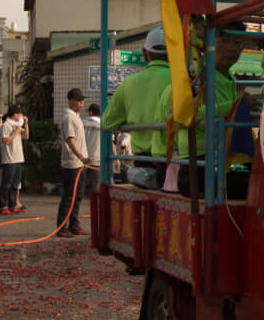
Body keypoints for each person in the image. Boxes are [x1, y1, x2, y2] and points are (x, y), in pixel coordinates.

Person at [151, 23, 246, 193]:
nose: (232, 48)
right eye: (224, 41)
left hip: (223, 161)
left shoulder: (229, 80)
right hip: (197, 166)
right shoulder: (196, 78)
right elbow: (184, 116)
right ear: (206, 45)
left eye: (237, 43)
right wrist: (235, 106)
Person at [103, 27, 171, 162]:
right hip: (176, 159)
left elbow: (107, 122)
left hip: (143, 160)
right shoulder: (184, 80)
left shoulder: (128, 83)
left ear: (145, 54)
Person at [57, 88, 91, 237]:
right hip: (72, 163)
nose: (82, 103)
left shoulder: (76, 117)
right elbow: (70, 140)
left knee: (78, 196)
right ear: (71, 101)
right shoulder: (69, 118)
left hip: (79, 163)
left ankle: (74, 225)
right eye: (79, 101)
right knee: (69, 196)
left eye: (82, 101)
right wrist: (81, 156)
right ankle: (62, 227)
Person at [0, 105, 29, 215]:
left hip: (18, 158)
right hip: (9, 159)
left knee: (15, 184)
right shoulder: (6, 125)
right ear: (15, 114)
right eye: (19, 114)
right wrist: (16, 131)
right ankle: (3, 205)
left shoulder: (17, 125)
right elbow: (5, 141)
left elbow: (26, 136)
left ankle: (13, 205)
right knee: (6, 184)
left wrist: (25, 124)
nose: (21, 116)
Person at [83, 102, 102, 194]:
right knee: (96, 185)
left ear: (90, 112)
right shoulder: (104, 126)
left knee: (80, 184)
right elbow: (111, 142)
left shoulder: (82, 123)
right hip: (97, 159)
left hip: (83, 158)